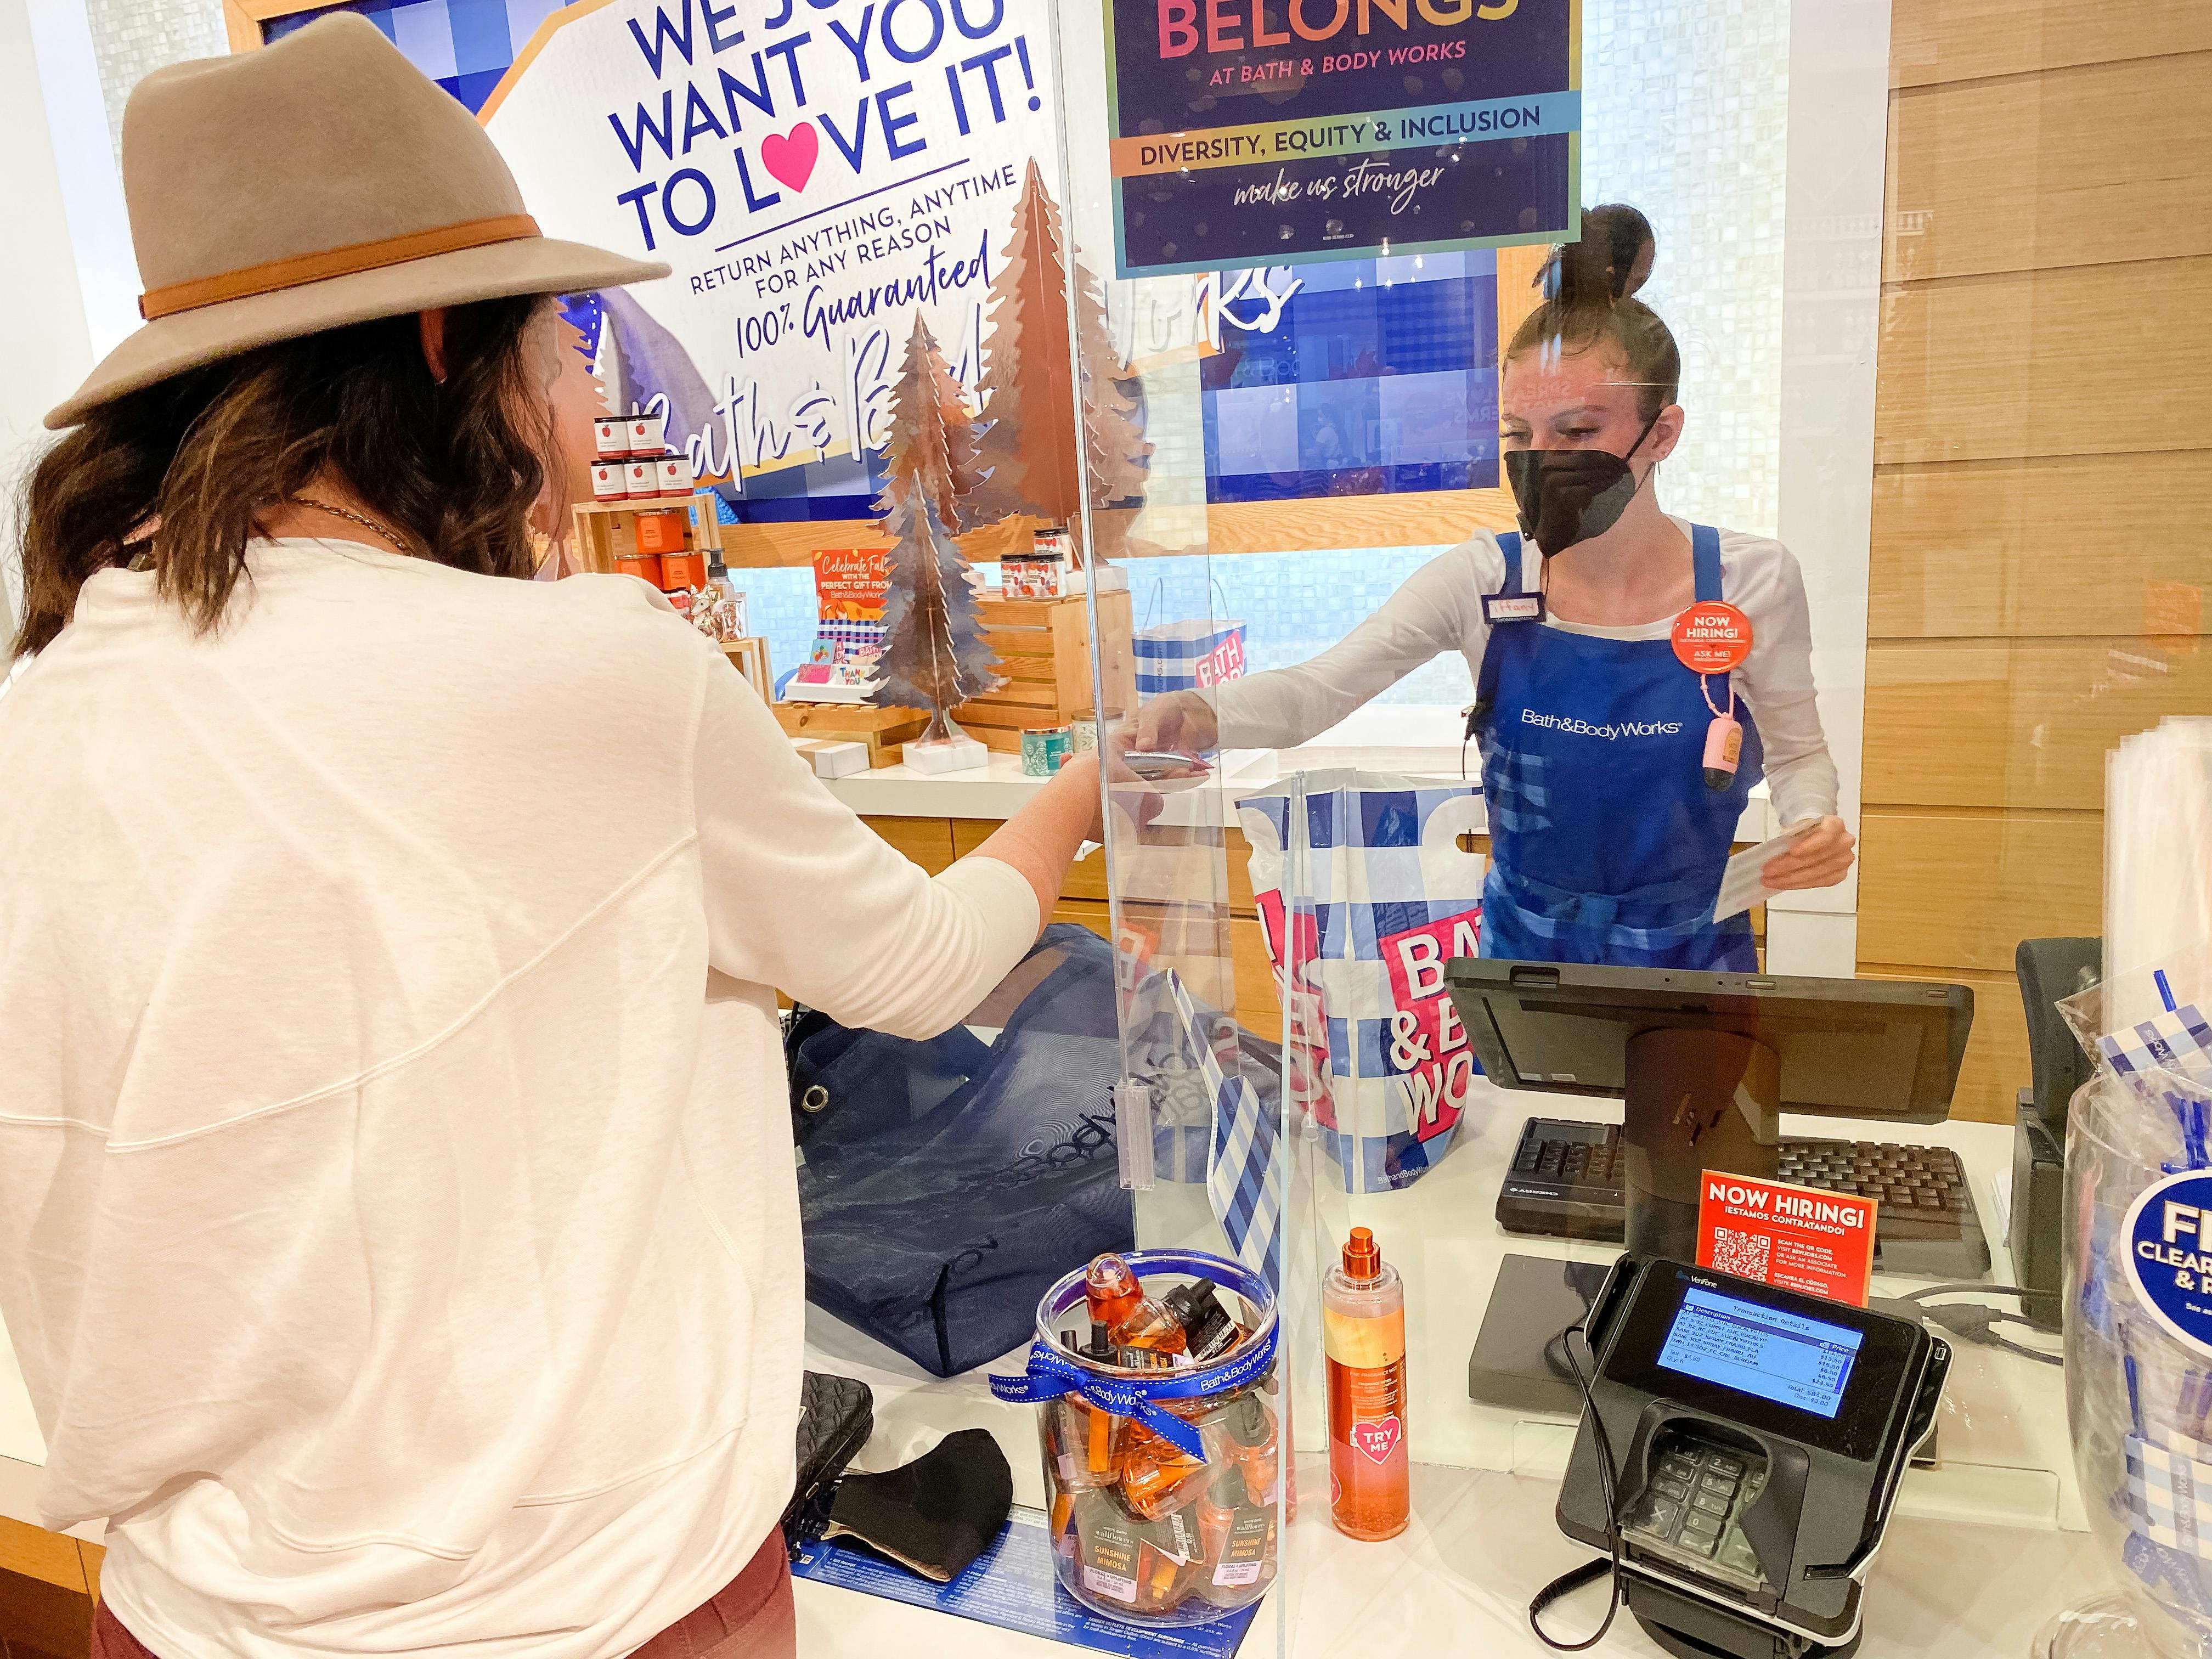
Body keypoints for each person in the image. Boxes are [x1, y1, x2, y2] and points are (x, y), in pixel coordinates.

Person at [0, 20, 1102, 1659]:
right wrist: (1095, 787)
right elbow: (922, 969)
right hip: (607, 1612)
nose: (591, 404)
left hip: (181, 1621)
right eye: (570, 345)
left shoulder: (48, 704)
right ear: (450, 347)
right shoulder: (598, 668)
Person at [1133, 205, 1854, 972]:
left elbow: (1800, 756)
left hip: (1694, 962)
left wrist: (1812, 824)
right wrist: (1201, 714)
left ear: (1663, 435)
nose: (1541, 459)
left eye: (1578, 433)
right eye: (1518, 434)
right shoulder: (1484, 579)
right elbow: (1318, 691)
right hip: (1523, 970)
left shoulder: (1751, 581)